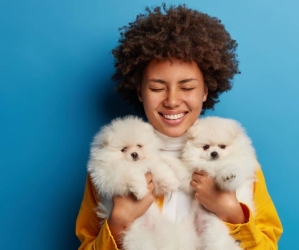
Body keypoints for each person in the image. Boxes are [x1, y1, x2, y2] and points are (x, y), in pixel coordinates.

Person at [76, 4, 283, 250]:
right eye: (156, 88)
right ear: (139, 92)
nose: (172, 100)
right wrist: (119, 222)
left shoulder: (236, 157)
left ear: (205, 91)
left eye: (187, 87)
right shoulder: (111, 162)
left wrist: (232, 213)